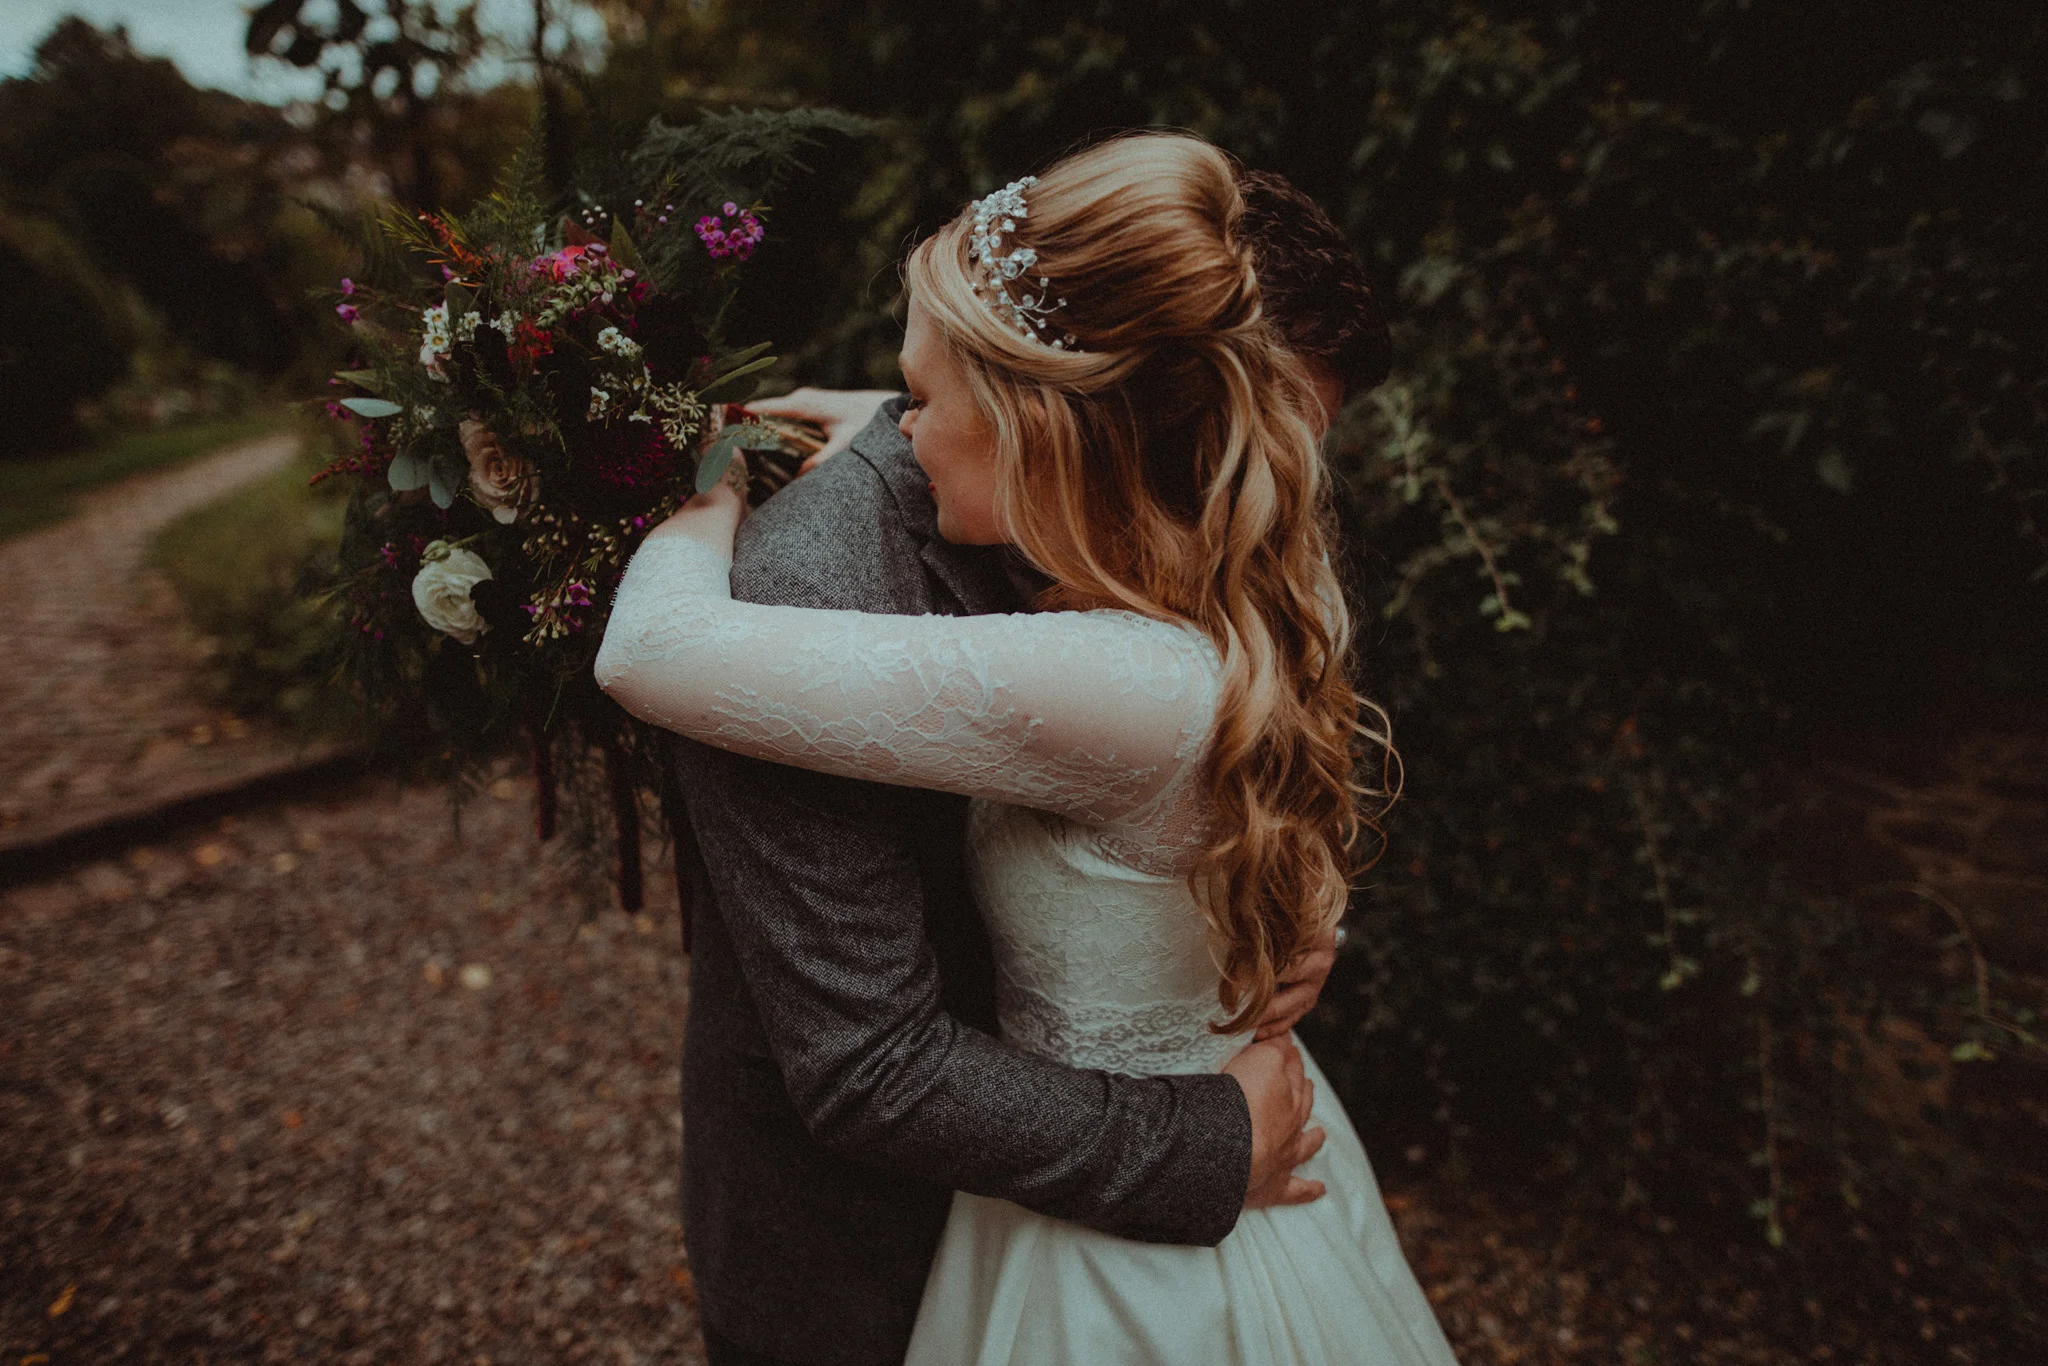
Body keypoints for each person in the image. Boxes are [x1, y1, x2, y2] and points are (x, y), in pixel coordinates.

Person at [597, 133, 1457, 1364]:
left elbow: (651, 648)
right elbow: (867, 1063)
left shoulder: (1177, 595)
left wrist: (1268, 917)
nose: (1271, 471)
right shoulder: (825, 574)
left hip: (1111, 1234)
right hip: (868, 1232)